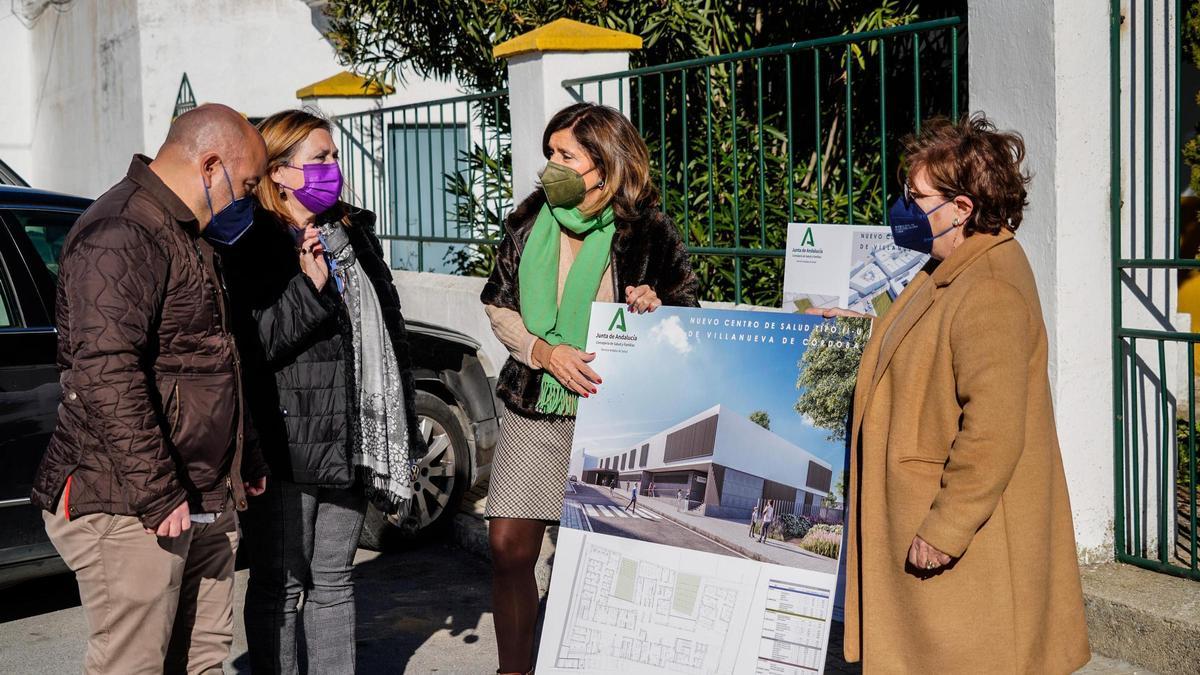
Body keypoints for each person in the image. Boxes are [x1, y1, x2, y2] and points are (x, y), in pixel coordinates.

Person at [829, 115, 1090, 672]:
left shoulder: (988, 287)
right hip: (927, 512)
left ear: (962, 209)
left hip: (954, 530)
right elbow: (926, 344)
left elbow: (993, 428)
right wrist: (861, 328)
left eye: (917, 196)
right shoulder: (952, 266)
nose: (904, 207)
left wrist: (946, 528)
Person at [29, 104, 270, 674]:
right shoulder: (122, 232)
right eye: (251, 184)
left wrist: (246, 452)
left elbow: (212, 357)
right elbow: (105, 373)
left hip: (202, 492)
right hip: (129, 502)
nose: (252, 202)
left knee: (202, 659)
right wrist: (159, 492)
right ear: (211, 165)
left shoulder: (187, 234)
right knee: (132, 665)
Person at [481, 102, 699, 674]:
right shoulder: (530, 220)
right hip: (536, 404)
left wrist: (657, 305)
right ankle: (513, 669)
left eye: (566, 155)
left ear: (604, 164)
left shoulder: (647, 230)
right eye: (550, 153)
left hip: (612, 411)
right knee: (508, 546)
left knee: (601, 556)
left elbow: (687, 312)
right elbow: (498, 304)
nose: (552, 164)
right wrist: (545, 353)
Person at [222, 109, 424, 674]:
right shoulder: (255, 240)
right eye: (321, 158)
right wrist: (310, 289)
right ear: (281, 173)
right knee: (281, 583)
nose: (334, 168)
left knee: (335, 579)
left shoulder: (351, 231)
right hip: (289, 437)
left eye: (334, 156)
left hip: (353, 431)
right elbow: (255, 342)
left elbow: (387, 331)